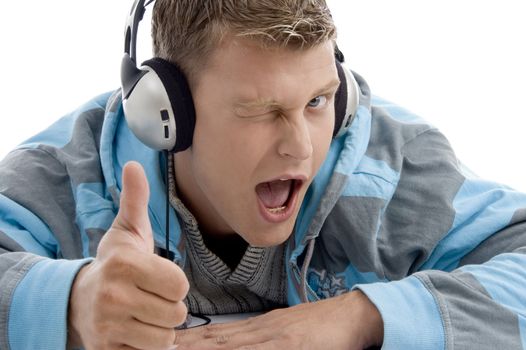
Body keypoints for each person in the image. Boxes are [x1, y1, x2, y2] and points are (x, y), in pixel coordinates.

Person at [0, 0, 525, 349]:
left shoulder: (390, 168)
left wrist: (360, 317)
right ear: (168, 112)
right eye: (259, 110)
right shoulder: (65, 170)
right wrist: (72, 302)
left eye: (318, 101)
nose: (300, 145)